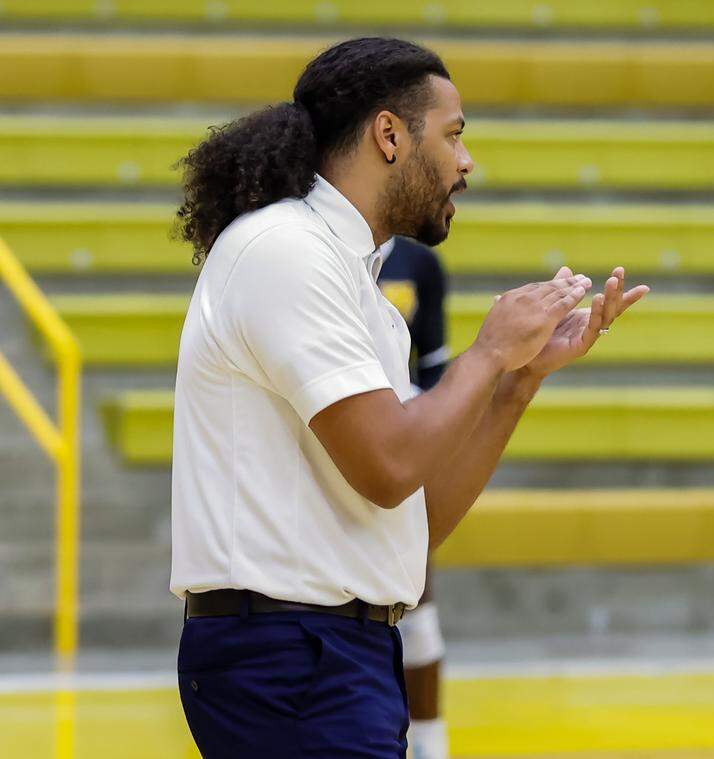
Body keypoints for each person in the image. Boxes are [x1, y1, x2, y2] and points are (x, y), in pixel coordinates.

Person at [168, 36, 648, 758]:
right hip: (289, 657)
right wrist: (487, 351)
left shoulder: (352, 282)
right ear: (389, 134)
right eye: (454, 135)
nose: (466, 162)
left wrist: (519, 378)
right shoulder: (285, 252)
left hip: (333, 654)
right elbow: (389, 464)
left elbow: (413, 525)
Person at [378, 238, 451, 759]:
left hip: (399, 446)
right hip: (331, 440)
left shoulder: (418, 262)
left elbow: (434, 368)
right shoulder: (311, 251)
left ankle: (430, 744)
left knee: (417, 613)